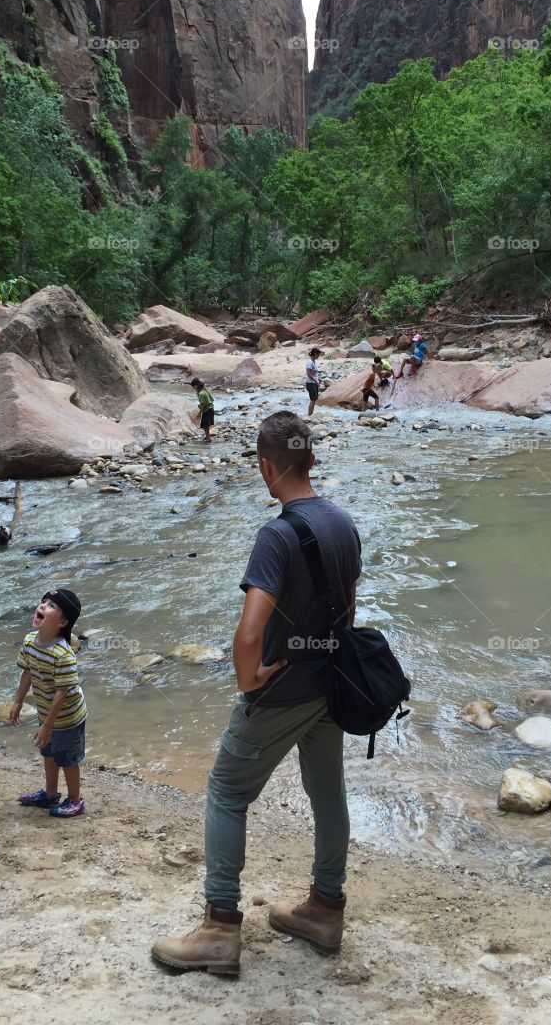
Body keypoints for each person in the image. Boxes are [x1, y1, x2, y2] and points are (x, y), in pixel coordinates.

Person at [151, 410, 361, 977]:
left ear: (266, 467)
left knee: (225, 791)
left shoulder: (277, 534)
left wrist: (248, 680)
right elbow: (350, 607)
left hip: (283, 690)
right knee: (327, 792)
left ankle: (220, 927)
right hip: (331, 686)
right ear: (311, 459)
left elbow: (248, 633)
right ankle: (325, 908)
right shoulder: (343, 522)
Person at [10, 588, 87, 817]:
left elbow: (62, 693)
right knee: (49, 754)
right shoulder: (30, 641)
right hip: (47, 714)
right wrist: (18, 702)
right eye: (43, 602)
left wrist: (47, 725)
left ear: (63, 622)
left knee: (68, 759)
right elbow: (27, 673)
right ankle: (50, 794)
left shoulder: (62, 654)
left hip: (68, 718)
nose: (43, 606)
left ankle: (75, 800)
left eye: (51, 606)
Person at [190, 378, 215, 443]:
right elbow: (212, 399)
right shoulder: (205, 390)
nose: (194, 389)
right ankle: (207, 437)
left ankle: (208, 439)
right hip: (211, 408)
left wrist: (199, 412)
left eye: (194, 387)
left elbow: (203, 404)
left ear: (196, 386)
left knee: (205, 425)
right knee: (206, 425)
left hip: (207, 410)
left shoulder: (201, 393)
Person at [304, 347, 323, 417]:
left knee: (314, 399)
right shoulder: (309, 362)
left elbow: (314, 373)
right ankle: (309, 416)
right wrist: (316, 381)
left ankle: (310, 415)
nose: (319, 356)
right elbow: (308, 373)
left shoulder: (314, 362)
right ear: (315, 354)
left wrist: (319, 379)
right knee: (313, 399)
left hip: (314, 383)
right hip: (310, 383)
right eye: (318, 355)